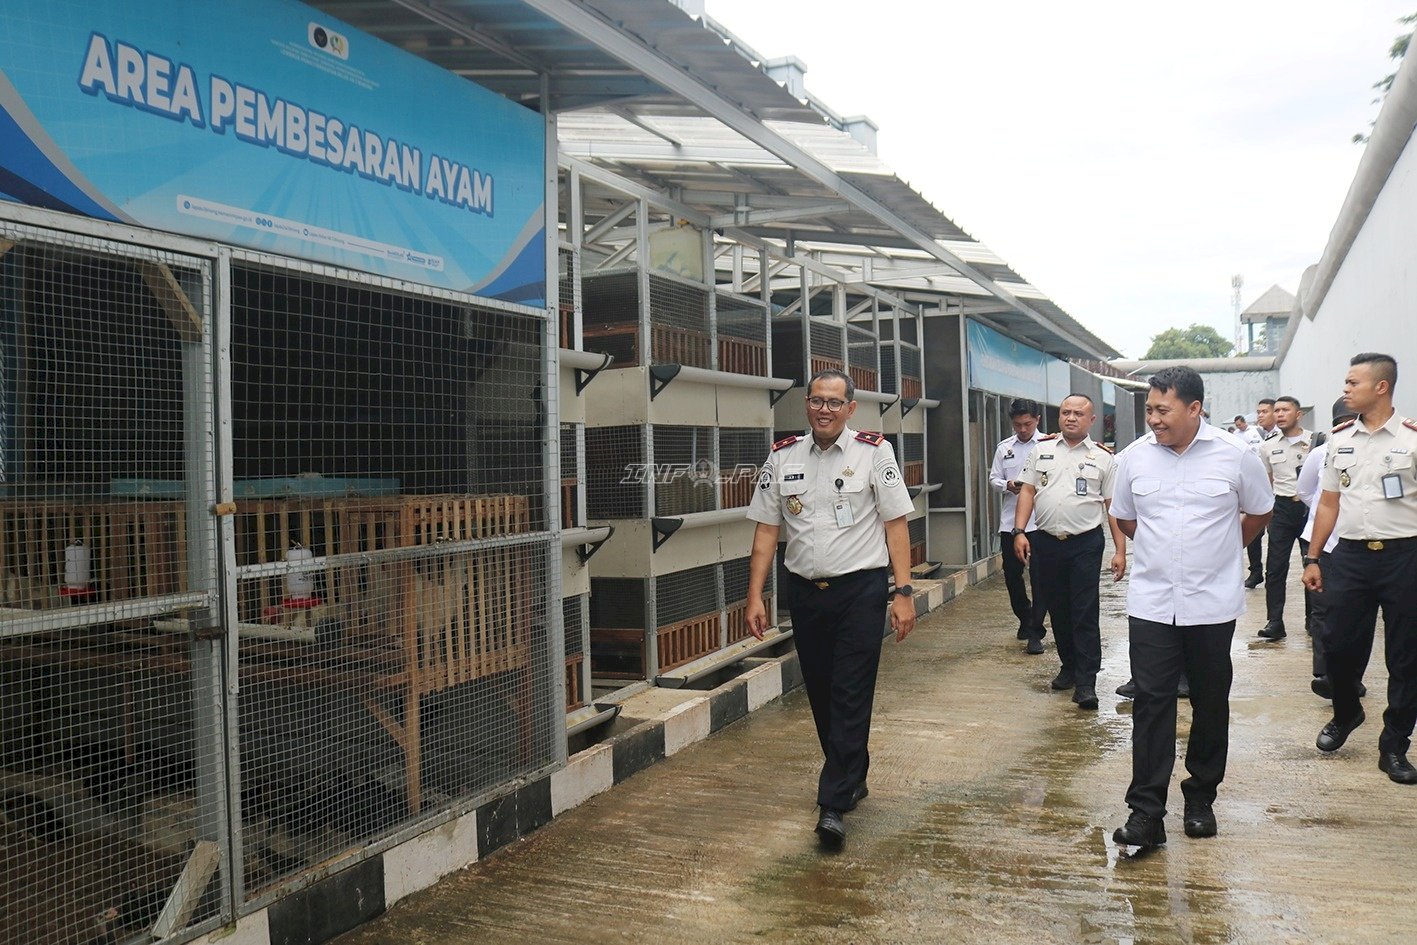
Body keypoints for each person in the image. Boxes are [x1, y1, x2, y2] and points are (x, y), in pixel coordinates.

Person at [745, 368, 918, 847]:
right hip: (805, 592)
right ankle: (852, 774)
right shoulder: (783, 458)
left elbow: (896, 524)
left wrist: (902, 593)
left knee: (849, 691)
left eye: (834, 402)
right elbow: (765, 531)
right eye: (817, 400)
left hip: (860, 590)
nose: (825, 409)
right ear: (807, 404)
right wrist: (755, 594)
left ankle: (833, 802)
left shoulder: (874, 453)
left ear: (850, 408)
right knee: (821, 692)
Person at [1109, 367, 1273, 848]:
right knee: (1151, 703)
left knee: (1209, 698)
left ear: (1194, 408)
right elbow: (1125, 517)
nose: (1154, 419)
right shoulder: (1134, 459)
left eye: (1163, 410)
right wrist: (1164, 555)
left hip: (1212, 603)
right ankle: (1146, 813)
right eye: (1150, 410)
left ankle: (1200, 797)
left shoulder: (1236, 454)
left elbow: (1260, 511)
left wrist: (1224, 552)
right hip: (1153, 601)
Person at [1302, 353, 1417, 785]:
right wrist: (1314, 557)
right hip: (1349, 557)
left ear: (1381, 387)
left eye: (1353, 383)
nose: (1345, 389)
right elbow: (1328, 502)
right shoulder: (1339, 440)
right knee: (1338, 647)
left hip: (1405, 556)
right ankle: (1347, 714)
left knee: (1406, 655)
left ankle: (1394, 745)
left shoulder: (1411, 440)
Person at [1012, 394, 1127, 710]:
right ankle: (1069, 667)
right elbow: (1028, 490)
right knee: (1058, 609)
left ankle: (1087, 682)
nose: (1071, 418)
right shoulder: (1042, 450)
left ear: (1092, 421)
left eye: (1078, 413)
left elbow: (1112, 507)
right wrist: (1019, 531)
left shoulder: (1104, 458)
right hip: (1046, 541)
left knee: (1084, 611)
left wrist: (1120, 550)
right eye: (1065, 412)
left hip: (1085, 544)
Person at [1297, 397, 1369, 700]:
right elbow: (1305, 491)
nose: (1347, 427)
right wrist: (1324, 512)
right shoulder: (1320, 453)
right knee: (1323, 610)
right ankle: (1324, 674)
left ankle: (1352, 676)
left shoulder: (1377, 450)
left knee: (1357, 615)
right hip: (1323, 542)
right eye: (1342, 421)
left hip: (1362, 544)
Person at [989, 398, 1047, 653]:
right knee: (1013, 577)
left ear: (1037, 420)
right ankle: (1025, 617)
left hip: (1042, 524)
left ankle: (1036, 630)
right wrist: (1008, 485)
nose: (1022, 429)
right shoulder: (1005, 448)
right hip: (1011, 523)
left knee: (1040, 578)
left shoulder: (1050, 445)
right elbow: (993, 478)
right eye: (1017, 425)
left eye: (1027, 424)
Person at [1256, 396, 1315, 641]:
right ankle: (1275, 621)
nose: (1279, 414)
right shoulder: (1267, 446)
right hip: (1281, 509)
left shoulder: (1315, 442)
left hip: (1308, 509)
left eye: (1285, 410)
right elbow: (1267, 480)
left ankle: (1313, 619)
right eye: (1276, 410)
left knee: (1312, 564)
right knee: (1276, 568)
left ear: (1298, 414)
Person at [1244, 399, 1278, 588]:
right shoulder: (1254, 435)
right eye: (1258, 412)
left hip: (1277, 495)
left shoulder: (1280, 437)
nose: (1260, 415)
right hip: (1258, 492)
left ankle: (1272, 574)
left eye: (1265, 411)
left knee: (1275, 539)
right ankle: (1255, 571)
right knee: (1254, 534)